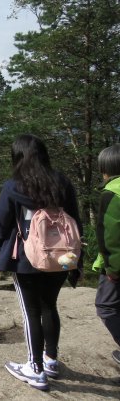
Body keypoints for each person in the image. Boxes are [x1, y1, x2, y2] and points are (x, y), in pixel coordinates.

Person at [0, 134, 82, 391]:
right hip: (61, 258)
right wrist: (77, 259)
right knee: (49, 307)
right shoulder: (61, 183)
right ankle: (51, 360)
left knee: (32, 313)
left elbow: (1, 224)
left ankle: (35, 368)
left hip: (26, 260)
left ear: (18, 157)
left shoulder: (14, 185)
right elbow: (75, 221)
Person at [93, 144, 120, 366]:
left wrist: (112, 268)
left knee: (106, 306)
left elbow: (108, 235)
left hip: (116, 266)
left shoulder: (111, 193)